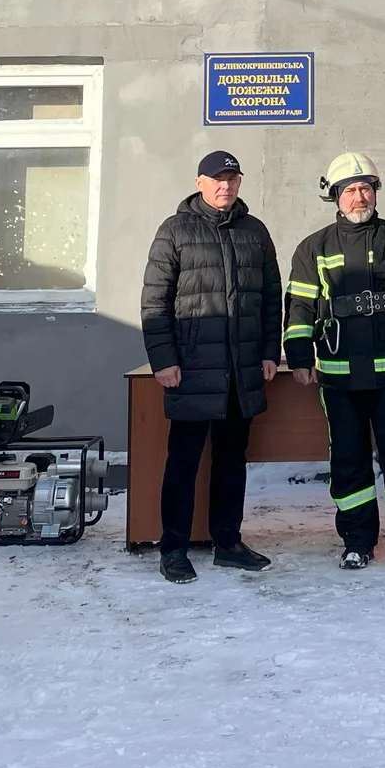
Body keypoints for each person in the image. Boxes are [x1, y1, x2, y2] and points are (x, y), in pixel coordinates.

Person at [285, 152, 385, 574]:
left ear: (375, 191)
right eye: (350, 190)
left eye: (366, 188)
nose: (360, 197)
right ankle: (357, 541)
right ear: (335, 196)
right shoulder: (313, 247)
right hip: (338, 375)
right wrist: (300, 356)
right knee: (349, 461)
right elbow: (300, 307)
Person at [140, 150, 283, 584]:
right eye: (217, 179)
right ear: (199, 182)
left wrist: (268, 352)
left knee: (231, 460)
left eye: (232, 179)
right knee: (182, 462)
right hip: (191, 371)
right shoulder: (175, 231)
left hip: (240, 373)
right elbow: (154, 302)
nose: (225, 186)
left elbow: (270, 298)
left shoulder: (255, 231)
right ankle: (174, 548)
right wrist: (163, 360)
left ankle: (228, 542)